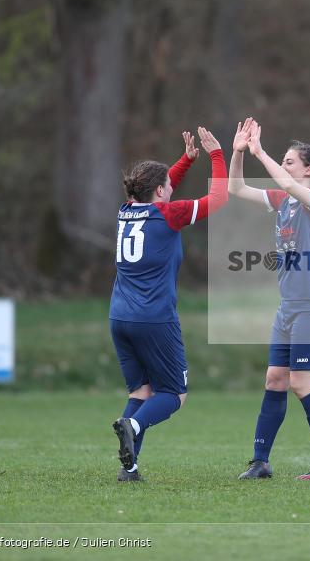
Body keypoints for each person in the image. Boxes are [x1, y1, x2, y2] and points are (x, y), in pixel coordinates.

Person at [227, 118, 310, 480]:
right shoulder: (283, 203)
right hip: (288, 309)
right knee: (276, 379)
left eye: (290, 160)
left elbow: (288, 183)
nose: (285, 164)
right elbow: (235, 188)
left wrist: (261, 151)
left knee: (301, 382)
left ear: (308, 169)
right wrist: (238, 152)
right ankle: (260, 462)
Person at [109, 127, 227, 482]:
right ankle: (132, 423)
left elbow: (155, 188)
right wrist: (216, 156)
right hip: (154, 318)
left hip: (119, 316)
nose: (172, 188)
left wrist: (185, 161)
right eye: (168, 187)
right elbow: (218, 199)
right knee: (174, 394)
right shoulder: (169, 214)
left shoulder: (125, 210)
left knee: (140, 392)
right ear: (160, 192)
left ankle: (129, 469)